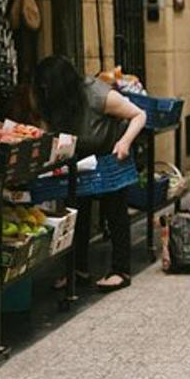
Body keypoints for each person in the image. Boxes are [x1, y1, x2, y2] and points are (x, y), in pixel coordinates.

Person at [33, 55, 146, 292]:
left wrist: (124, 143)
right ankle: (78, 269)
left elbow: (139, 115)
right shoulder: (53, 101)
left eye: (48, 87)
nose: (45, 92)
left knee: (115, 211)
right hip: (79, 159)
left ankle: (120, 270)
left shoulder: (96, 94)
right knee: (77, 212)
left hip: (109, 155)